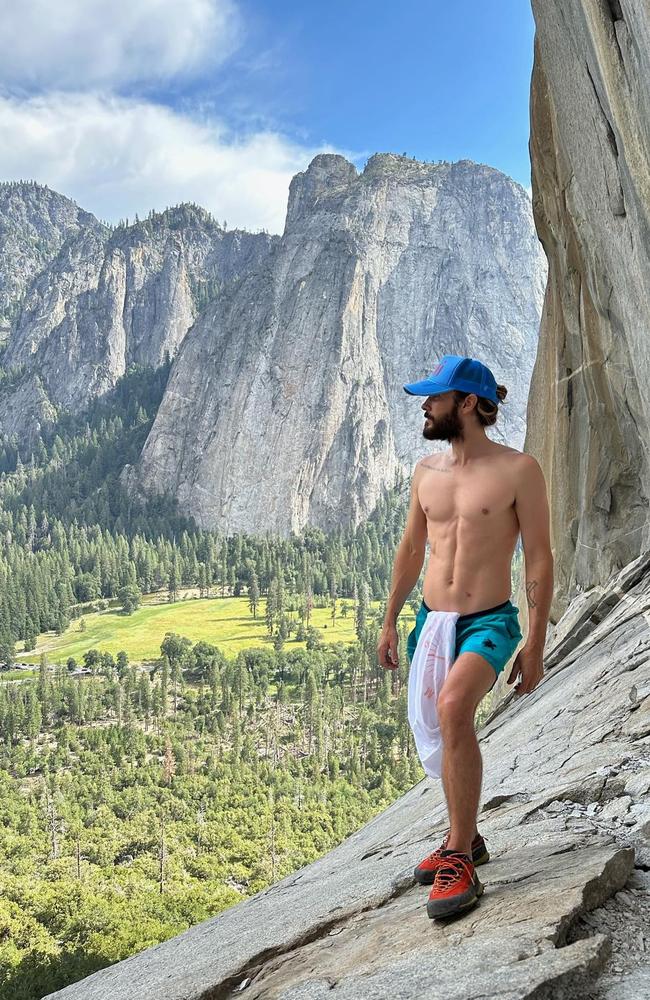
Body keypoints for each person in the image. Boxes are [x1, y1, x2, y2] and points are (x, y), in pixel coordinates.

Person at [377, 354, 553, 920]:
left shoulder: (518, 471)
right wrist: (389, 619)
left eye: (435, 398)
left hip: (489, 621)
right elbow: (410, 551)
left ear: (468, 404)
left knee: (453, 710)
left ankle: (459, 858)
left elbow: (540, 561)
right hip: (432, 623)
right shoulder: (427, 471)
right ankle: (467, 836)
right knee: (438, 724)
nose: (425, 407)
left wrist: (536, 642)